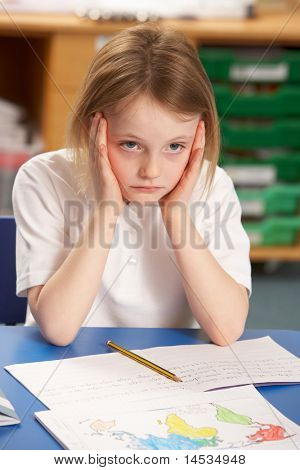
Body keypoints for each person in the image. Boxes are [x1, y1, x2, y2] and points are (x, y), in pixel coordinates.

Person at [12, 22, 251, 347]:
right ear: (90, 129)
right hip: (67, 371)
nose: (151, 171)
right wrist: (107, 209)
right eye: (130, 145)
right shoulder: (43, 178)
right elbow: (59, 328)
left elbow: (226, 330)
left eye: (174, 147)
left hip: (174, 373)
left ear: (199, 136)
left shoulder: (214, 186)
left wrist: (176, 214)